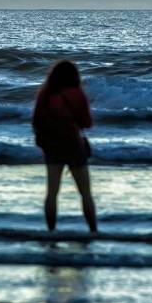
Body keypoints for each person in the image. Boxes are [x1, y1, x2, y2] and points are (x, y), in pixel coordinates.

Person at [32, 60, 97, 233]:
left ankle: (51, 232)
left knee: (52, 193)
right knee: (85, 193)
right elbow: (87, 123)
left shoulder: (45, 94)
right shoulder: (77, 93)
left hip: (52, 146)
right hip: (74, 145)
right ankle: (93, 231)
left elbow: (36, 121)